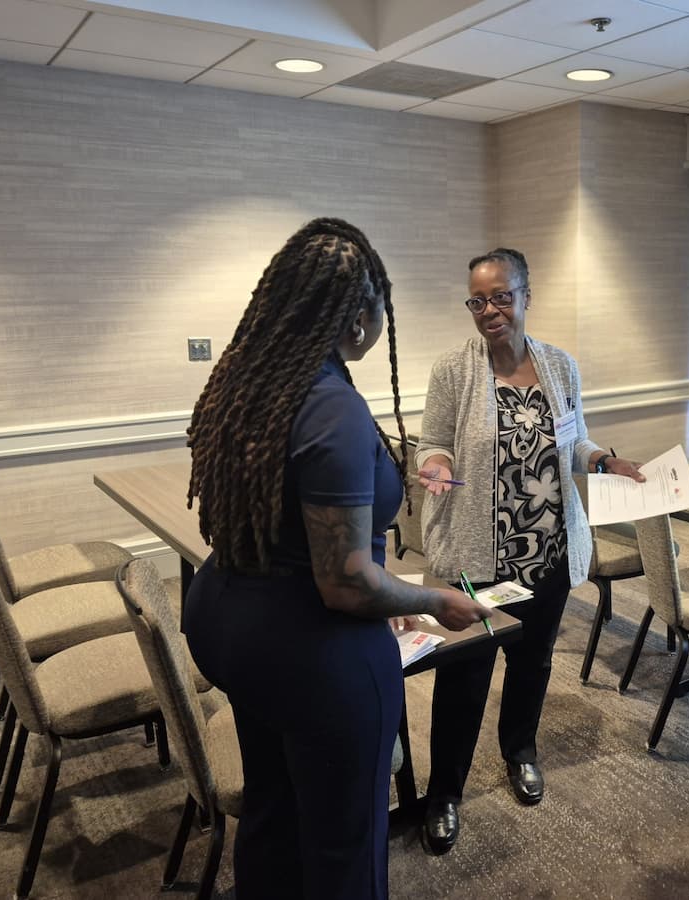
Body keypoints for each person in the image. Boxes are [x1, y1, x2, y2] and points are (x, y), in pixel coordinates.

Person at [181, 218, 487, 899]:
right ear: (358, 317)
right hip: (309, 654)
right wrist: (437, 601)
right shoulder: (330, 405)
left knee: (274, 805)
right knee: (344, 845)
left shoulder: (246, 382)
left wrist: (376, 482)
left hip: (227, 623)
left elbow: (289, 493)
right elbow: (348, 584)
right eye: (381, 309)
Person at [414, 247, 644, 855]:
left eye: (501, 296)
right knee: (464, 675)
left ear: (525, 295)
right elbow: (432, 440)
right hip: (479, 554)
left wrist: (601, 459)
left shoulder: (560, 366)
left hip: (549, 546)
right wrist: (436, 465)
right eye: (477, 300)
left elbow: (574, 437)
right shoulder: (453, 371)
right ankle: (444, 791)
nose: (489, 310)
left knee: (534, 662)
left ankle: (520, 751)